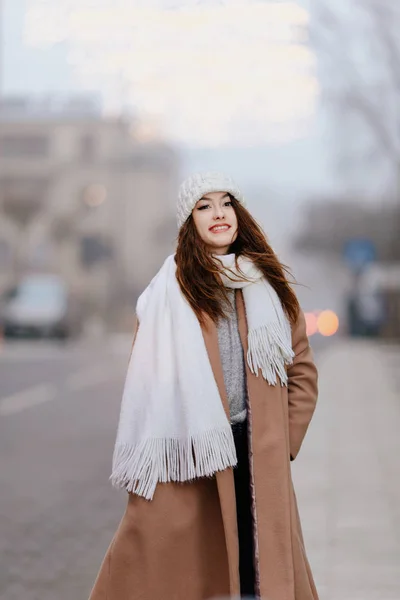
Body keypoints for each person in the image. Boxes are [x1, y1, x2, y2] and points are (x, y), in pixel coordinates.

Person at [89, 171, 319, 600]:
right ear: (189, 222)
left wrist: (282, 439)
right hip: (195, 454)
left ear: (239, 213)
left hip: (255, 450)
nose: (218, 213)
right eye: (204, 205)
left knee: (258, 572)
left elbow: (301, 371)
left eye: (227, 203)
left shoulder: (267, 287)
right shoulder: (170, 294)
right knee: (182, 569)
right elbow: (149, 379)